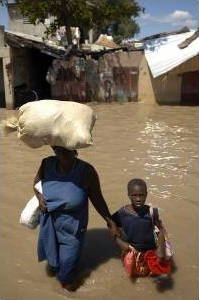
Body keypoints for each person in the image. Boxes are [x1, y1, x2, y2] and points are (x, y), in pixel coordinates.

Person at [33, 146, 119, 292]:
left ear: (75, 151)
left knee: (66, 272)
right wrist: (40, 198)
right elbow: (36, 184)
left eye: (67, 151)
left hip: (72, 227)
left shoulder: (86, 172)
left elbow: (97, 199)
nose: (62, 155)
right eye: (58, 151)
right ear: (54, 150)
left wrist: (110, 222)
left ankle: (67, 289)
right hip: (50, 223)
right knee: (53, 264)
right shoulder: (47, 164)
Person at [112, 178, 172, 281]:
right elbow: (110, 224)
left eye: (141, 195)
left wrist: (160, 249)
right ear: (129, 195)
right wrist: (118, 241)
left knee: (158, 275)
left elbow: (160, 229)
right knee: (133, 275)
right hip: (133, 251)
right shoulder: (122, 213)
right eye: (134, 195)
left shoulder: (152, 212)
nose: (138, 199)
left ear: (146, 194)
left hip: (151, 251)